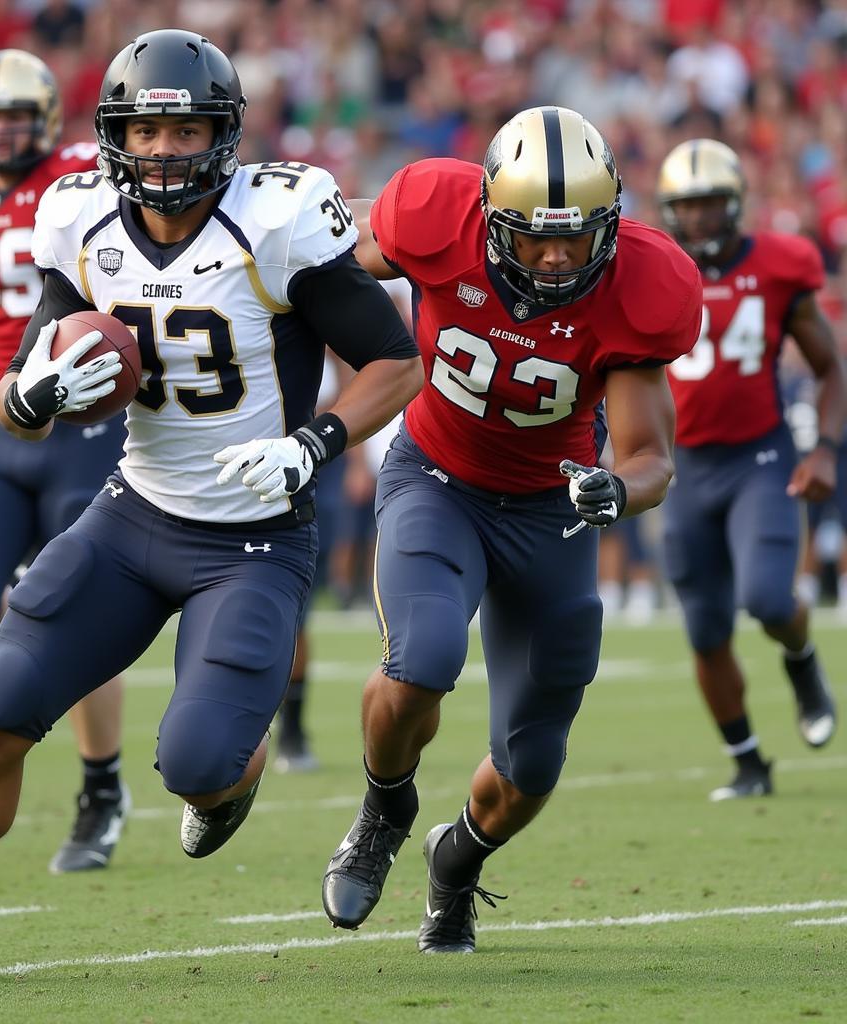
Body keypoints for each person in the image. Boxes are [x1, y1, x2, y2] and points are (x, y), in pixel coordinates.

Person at [0, 28, 421, 990]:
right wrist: (26, 401)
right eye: (144, 135)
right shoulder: (78, 222)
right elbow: (31, 384)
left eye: (185, 131)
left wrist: (315, 441)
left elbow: (396, 362)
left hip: (254, 536)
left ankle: (232, 771)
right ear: (112, 139)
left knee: (198, 764)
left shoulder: (275, 222)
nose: (163, 153)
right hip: (132, 514)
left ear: (222, 135)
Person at [320, 106, 702, 954]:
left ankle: (453, 862)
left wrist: (615, 489)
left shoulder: (645, 283)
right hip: (437, 479)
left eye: (578, 238)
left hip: (551, 510)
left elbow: (651, 458)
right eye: (535, 240)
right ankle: (384, 810)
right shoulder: (430, 213)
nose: (559, 257)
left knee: (532, 763)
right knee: (419, 659)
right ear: (491, 219)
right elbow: (332, 281)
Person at [0, 49, 131, 875]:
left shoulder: (87, 175)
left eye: (16, 113)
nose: (2, 129)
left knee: (70, 606)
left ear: (45, 117)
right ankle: (46, 628)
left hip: (81, 422)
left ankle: (102, 787)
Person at [655, 138, 844, 801]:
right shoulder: (650, 269)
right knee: (705, 630)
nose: (700, 219)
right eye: (688, 207)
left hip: (758, 458)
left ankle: (802, 658)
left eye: (711, 205)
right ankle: (748, 763)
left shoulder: (779, 264)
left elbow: (829, 368)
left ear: (734, 205)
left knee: (766, 599)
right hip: (682, 469)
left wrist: (822, 447)